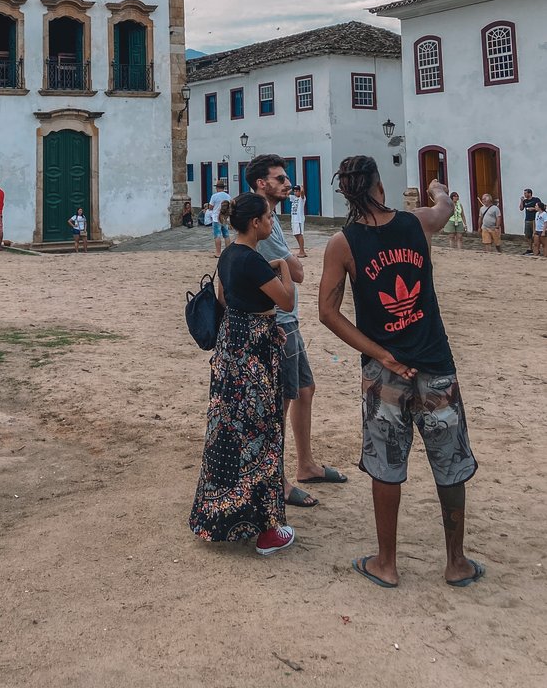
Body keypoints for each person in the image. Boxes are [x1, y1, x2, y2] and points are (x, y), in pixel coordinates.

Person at [318, 156, 481, 589]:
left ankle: (386, 563)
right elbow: (445, 209)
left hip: (383, 373)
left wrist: (380, 354)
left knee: (386, 463)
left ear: (348, 192)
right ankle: (456, 562)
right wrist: (438, 189)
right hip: (436, 365)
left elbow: (327, 313)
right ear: (379, 185)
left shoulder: (342, 243)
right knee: (449, 463)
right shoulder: (416, 224)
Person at [190, 192, 297, 554]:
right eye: (268, 217)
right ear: (255, 223)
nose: (271, 222)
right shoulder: (253, 260)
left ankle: (215, 515)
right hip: (254, 349)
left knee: (226, 431)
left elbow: (223, 300)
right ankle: (267, 529)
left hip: (230, 344)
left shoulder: (227, 257)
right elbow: (286, 301)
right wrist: (282, 267)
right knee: (263, 433)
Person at [246, 154, 347, 509]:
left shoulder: (270, 218)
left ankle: (305, 464)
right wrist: (292, 262)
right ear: (261, 183)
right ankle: (279, 479)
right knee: (282, 398)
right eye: (280, 178)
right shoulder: (264, 222)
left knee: (305, 389)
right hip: (278, 321)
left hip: (287, 318)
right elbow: (299, 274)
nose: (288, 183)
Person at [208, 179, 233, 256]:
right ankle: (228, 252)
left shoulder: (214, 196)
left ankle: (218, 253)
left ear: (217, 188)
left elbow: (210, 207)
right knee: (226, 235)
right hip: (225, 218)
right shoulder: (228, 196)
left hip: (216, 217)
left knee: (217, 235)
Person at [519, 189, 540, 254]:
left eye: (525, 193)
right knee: (528, 235)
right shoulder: (525, 201)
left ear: (530, 193)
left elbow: (541, 207)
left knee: (535, 235)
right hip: (527, 220)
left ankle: (536, 249)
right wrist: (521, 201)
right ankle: (530, 248)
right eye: (524, 193)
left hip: (535, 219)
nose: (524, 195)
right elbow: (521, 208)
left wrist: (533, 209)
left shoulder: (536, 200)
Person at [289, 185, 307, 258]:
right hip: (294, 219)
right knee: (295, 234)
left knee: (299, 234)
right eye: (295, 191)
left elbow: (302, 192)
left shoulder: (302, 199)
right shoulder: (294, 198)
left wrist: (301, 187)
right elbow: (286, 194)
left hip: (299, 219)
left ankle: (302, 251)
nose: (296, 192)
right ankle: (300, 249)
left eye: (297, 191)